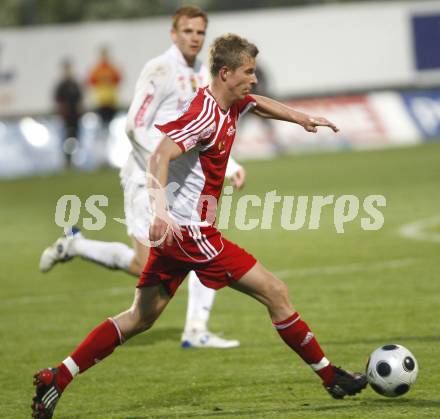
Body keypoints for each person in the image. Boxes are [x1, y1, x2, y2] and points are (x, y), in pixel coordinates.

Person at [32, 33, 367, 418]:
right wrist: (159, 212)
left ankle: (57, 377)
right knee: (275, 291)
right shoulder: (204, 115)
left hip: (181, 236)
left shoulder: (233, 103)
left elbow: (256, 103)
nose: (254, 79)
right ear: (225, 73)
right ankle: (330, 377)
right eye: (248, 72)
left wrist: (302, 118)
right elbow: (159, 154)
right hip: (192, 234)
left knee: (140, 317)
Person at [40, 6, 244, 349]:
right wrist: (161, 163)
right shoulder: (160, 70)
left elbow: (200, 128)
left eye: (200, 32)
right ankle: (75, 244)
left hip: (179, 178)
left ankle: (196, 329)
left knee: (200, 245)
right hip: (146, 176)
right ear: (173, 33)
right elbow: (135, 124)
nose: (194, 38)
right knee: (145, 263)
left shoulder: (201, 75)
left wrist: (232, 162)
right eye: (188, 31)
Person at [54, 59, 83, 167]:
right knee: (66, 137)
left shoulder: (75, 84)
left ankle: (74, 159)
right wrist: (61, 112)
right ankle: (67, 160)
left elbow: (80, 99)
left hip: (75, 116)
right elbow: (58, 101)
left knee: (75, 137)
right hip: (66, 117)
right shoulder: (61, 85)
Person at [87, 46, 122, 126]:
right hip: (101, 100)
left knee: (111, 121)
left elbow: (119, 79)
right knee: (102, 121)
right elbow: (91, 81)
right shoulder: (97, 69)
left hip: (111, 99)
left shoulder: (112, 68)